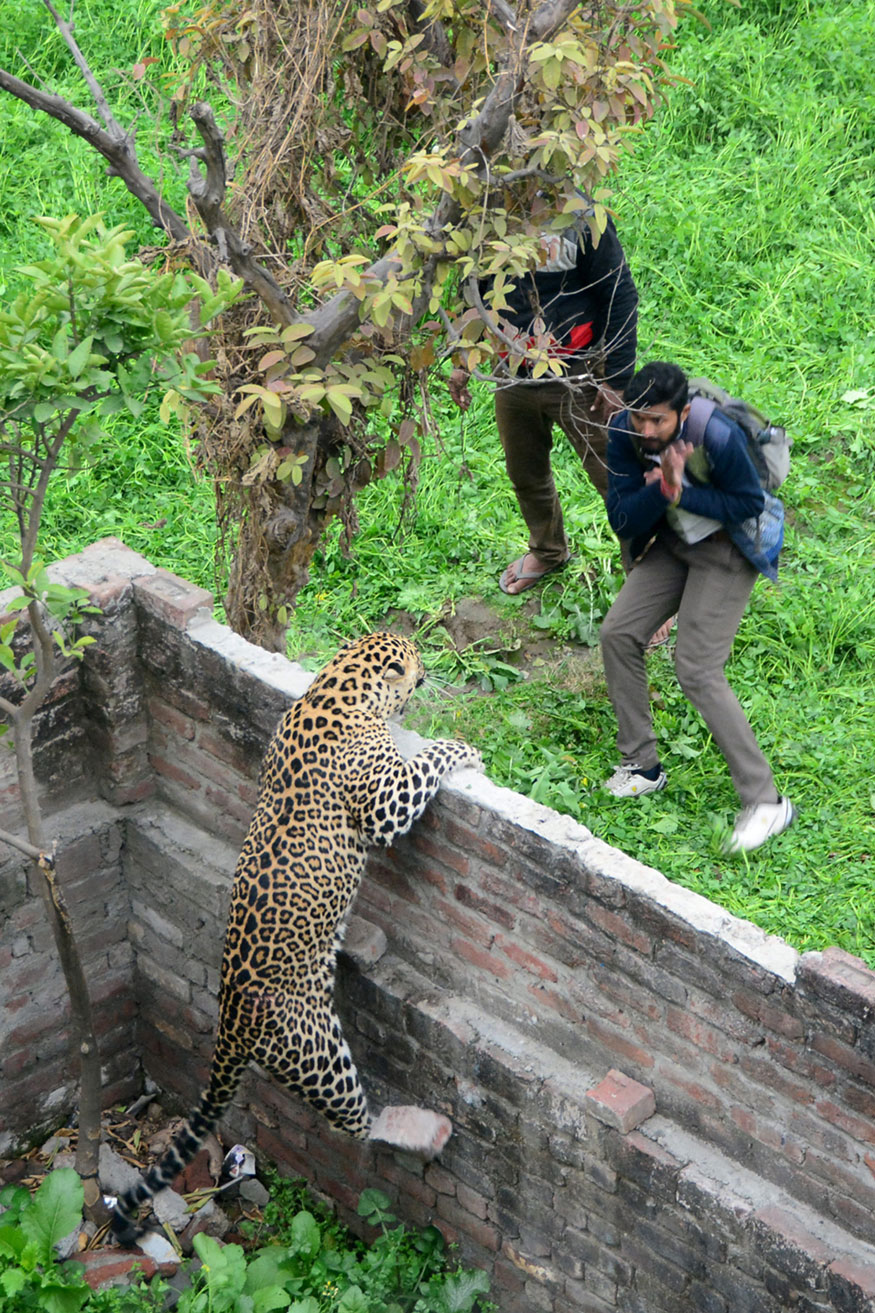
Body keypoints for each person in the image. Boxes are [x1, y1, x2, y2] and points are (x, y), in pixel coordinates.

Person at [599, 361, 795, 854]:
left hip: (728, 546)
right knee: (618, 633)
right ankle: (642, 766)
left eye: (658, 421)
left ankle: (767, 800)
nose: (646, 430)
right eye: (639, 417)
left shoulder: (718, 435)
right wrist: (662, 490)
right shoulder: (624, 433)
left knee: (697, 668)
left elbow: (748, 504)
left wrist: (684, 491)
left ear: (682, 413)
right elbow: (623, 519)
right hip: (673, 542)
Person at [448, 212, 638, 594]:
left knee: (617, 477)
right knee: (525, 471)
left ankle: (647, 583)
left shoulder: (581, 219)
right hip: (512, 369)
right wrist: (463, 357)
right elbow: (475, 292)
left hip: (579, 373)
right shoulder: (487, 212)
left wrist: (616, 381)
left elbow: (620, 294)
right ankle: (548, 550)